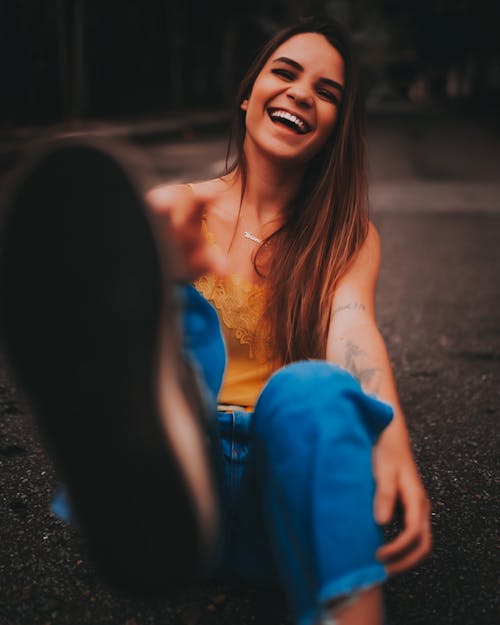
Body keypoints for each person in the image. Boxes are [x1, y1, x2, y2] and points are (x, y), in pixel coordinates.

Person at [0, 16, 431, 625]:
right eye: (284, 73)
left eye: (327, 92)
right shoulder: (178, 206)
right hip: (181, 484)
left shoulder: (349, 238)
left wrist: (390, 436)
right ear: (247, 94)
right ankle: (140, 443)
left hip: (275, 488)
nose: (302, 93)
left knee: (314, 388)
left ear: (336, 128)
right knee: (171, 302)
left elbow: (352, 324)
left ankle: (349, 612)